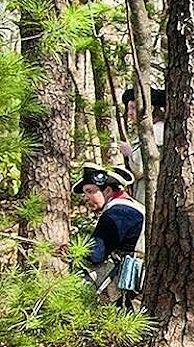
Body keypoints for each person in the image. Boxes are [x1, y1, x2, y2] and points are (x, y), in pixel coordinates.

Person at [73, 163, 145, 305]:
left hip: (132, 287)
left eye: (90, 191)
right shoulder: (133, 207)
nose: (86, 197)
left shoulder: (118, 212)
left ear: (107, 191)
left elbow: (95, 255)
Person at [118, 86, 166, 210]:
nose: (129, 113)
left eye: (133, 108)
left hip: (150, 192)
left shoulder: (156, 131)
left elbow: (140, 168)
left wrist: (129, 153)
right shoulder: (148, 132)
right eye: (128, 108)